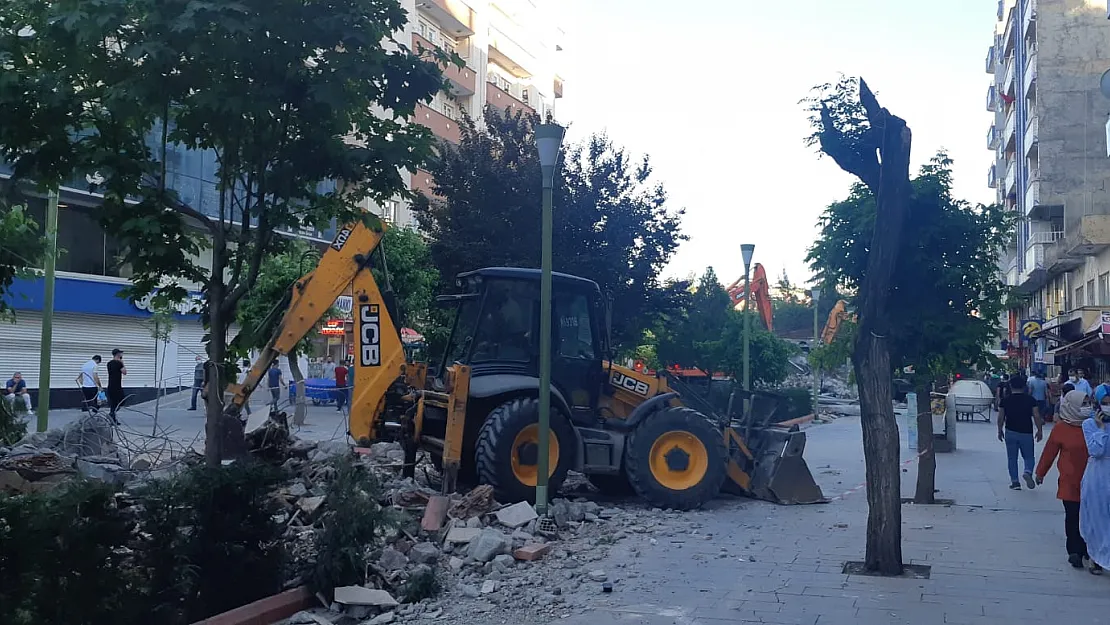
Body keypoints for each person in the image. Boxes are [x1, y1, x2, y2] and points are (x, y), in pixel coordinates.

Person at [1036, 389, 1091, 568]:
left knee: (1090, 517)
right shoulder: (1061, 428)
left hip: (1092, 481)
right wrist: (1040, 472)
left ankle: (1088, 549)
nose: (1086, 407)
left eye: (1087, 403)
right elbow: (1049, 453)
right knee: (1073, 516)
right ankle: (1074, 551)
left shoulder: (1093, 426)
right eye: (1082, 404)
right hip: (1070, 480)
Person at [1081, 385, 1110, 575]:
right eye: (1105, 403)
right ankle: (1095, 558)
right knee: (1096, 518)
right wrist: (1101, 429)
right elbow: (1096, 451)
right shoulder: (1089, 424)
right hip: (1097, 475)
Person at [998, 375, 1043, 490]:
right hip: (1026, 432)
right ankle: (1028, 471)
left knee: (1012, 458)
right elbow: (1036, 415)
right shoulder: (1030, 400)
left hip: (1010, 431)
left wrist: (999, 430)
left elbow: (1001, 416)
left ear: (1010, 386)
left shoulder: (1005, 400)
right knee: (1029, 457)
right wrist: (1039, 430)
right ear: (1024, 387)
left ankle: (1015, 482)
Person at [105, 348, 126, 423]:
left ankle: (112, 416)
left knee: (113, 403)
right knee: (122, 400)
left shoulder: (109, 363)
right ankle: (111, 415)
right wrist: (122, 363)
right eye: (120, 353)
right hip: (117, 386)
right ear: (118, 354)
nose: (122, 354)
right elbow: (124, 372)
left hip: (110, 385)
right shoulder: (119, 363)